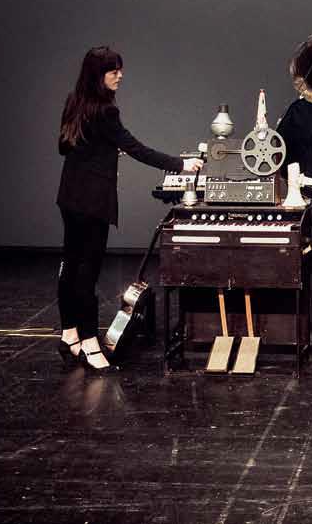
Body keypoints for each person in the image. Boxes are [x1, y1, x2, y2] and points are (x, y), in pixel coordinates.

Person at [56, 46, 202, 373]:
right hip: (92, 200)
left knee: (70, 265)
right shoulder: (105, 111)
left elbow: (64, 146)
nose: (120, 76)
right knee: (87, 272)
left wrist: (100, 149)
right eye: (114, 71)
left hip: (69, 196)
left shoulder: (74, 101)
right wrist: (181, 164)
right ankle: (90, 343)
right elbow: (135, 148)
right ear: (98, 76)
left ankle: (69, 335)